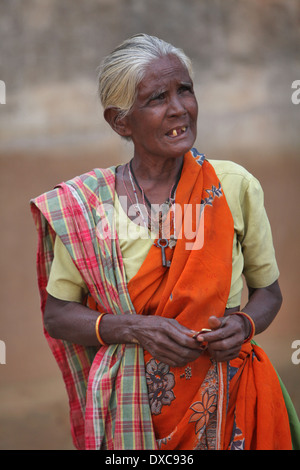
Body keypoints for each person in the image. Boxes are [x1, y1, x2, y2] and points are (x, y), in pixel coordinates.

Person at [30, 34, 299, 450]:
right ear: (120, 121)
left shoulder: (234, 185)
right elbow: (58, 315)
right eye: (157, 98)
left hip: (233, 398)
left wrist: (244, 325)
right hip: (131, 410)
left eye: (185, 90)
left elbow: (269, 293)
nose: (179, 108)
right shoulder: (88, 204)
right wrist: (136, 328)